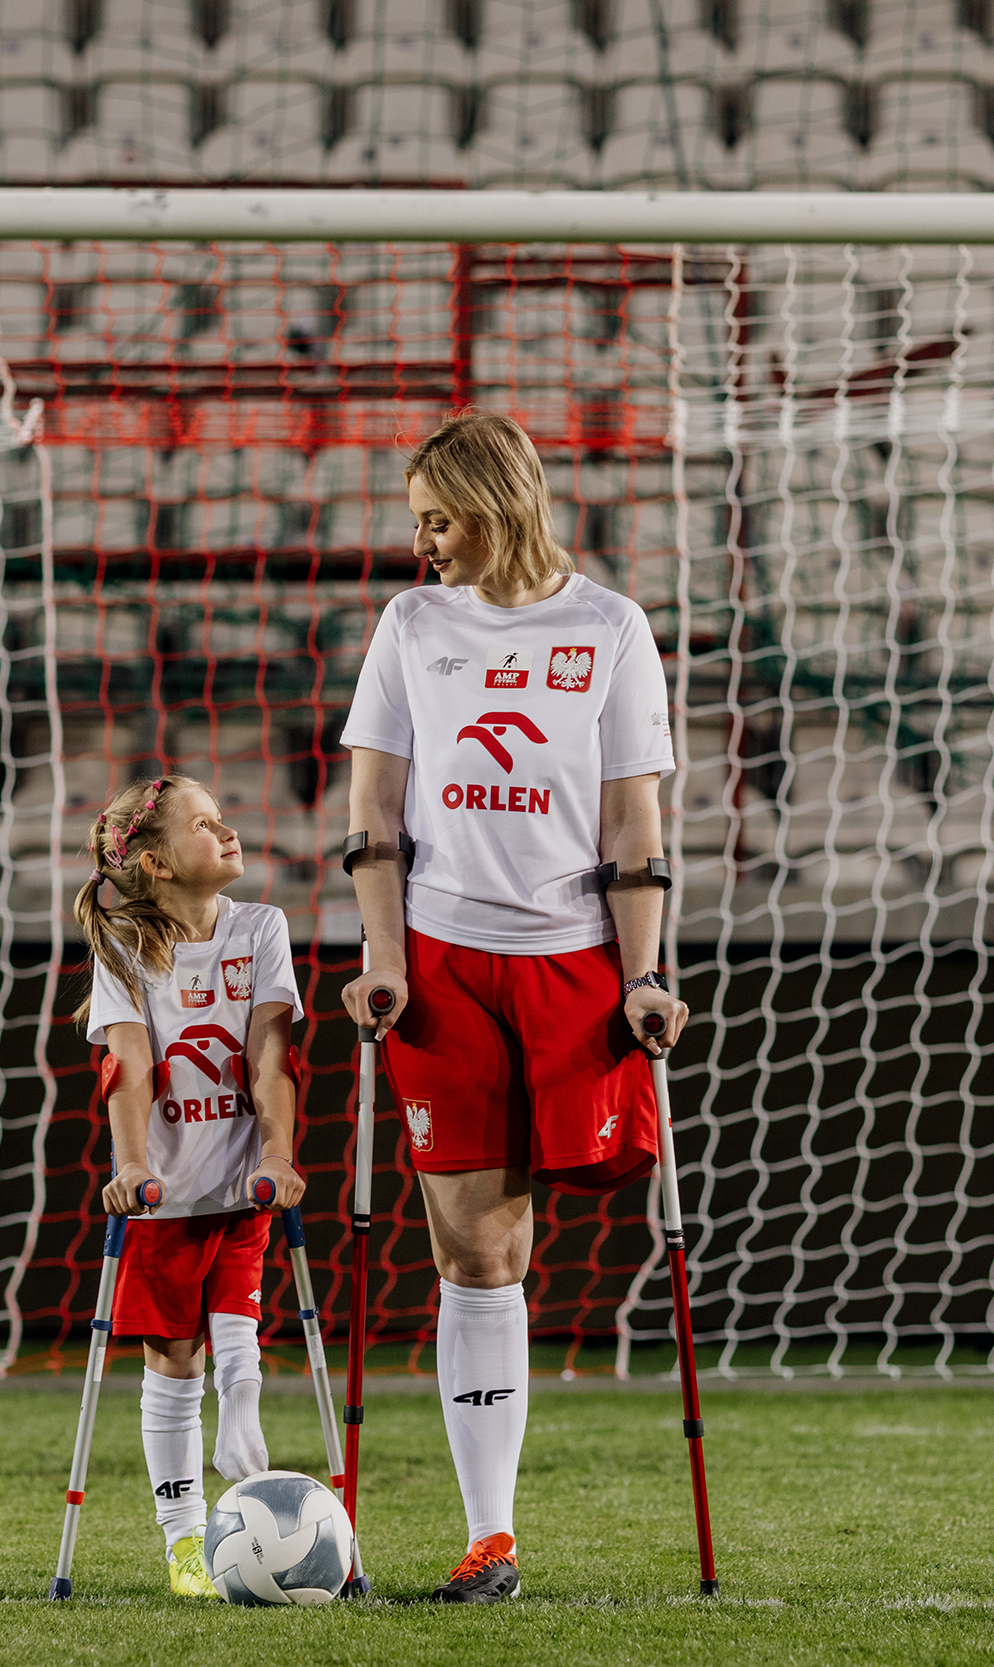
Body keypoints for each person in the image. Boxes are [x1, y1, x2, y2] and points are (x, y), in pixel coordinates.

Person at [339, 409, 690, 1604]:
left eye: (437, 517)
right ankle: (490, 1535)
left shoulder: (608, 627)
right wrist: (383, 952)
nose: (423, 541)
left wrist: (643, 973)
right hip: (443, 957)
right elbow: (373, 811)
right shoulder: (411, 623)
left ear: (495, 504)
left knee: (530, 1237)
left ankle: (496, 1513)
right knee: (475, 1245)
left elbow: (632, 820)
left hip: (571, 960)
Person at [74, 773, 308, 1600]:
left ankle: (241, 1414)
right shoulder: (124, 952)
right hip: (165, 1193)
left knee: (237, 1315)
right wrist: (131, 1164)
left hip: (244, 1180)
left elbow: (271, 1057)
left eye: (224, 815)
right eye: (205, 824)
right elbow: (128, 1066)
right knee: (171, 1361)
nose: (229, 830)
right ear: (160, 864)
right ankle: (183, 1541)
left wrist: (278, 1154)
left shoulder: (261, 927)